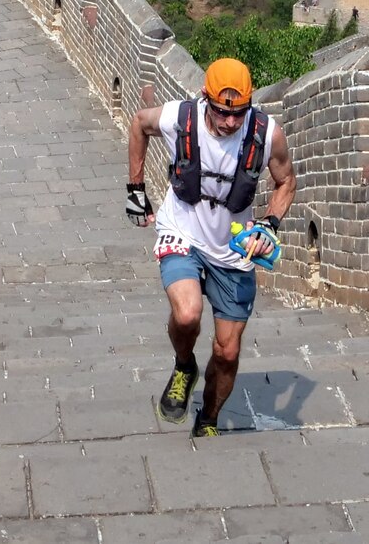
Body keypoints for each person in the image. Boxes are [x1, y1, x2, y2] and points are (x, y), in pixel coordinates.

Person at [124, 57, 296, 436]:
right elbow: (139, 123)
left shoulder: (267, 134)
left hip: (233, 249)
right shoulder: (179, 118)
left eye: (238, 115)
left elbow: (286, 181)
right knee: (187, 314)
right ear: (207, 99)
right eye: (222, 113)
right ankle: (184, 365)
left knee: (227, 352)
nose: (230, 123)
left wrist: (268, 224)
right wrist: (136, 189)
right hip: (181, 230)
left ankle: (209, 420)